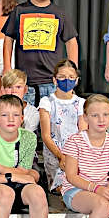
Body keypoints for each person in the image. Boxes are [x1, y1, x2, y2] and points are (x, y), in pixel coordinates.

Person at [2, 0, 79, 106]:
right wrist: (7, 66)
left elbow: (71, 42)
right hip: (24, 82)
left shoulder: (59, 13)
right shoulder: (19, 10)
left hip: (52, 81)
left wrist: (71, 71)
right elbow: (8, 39)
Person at [38, 59, 87, 192]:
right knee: (64, 188)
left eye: (71, 77)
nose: (67, 80)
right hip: (55, 154)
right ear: (55, 80)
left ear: (76, 80)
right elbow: (46, 135)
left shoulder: (81, 103)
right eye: (62, 77)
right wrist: (61, 156)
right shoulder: (46, 102)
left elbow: (83, 133)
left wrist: (73, 156)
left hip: (76, 153)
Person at [0, 70, 40, 134]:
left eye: (18, 87)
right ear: (3, 89)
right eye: (9, 87)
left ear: (25, 89)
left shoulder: (32, 112)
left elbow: (27, 137)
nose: (13, 91)